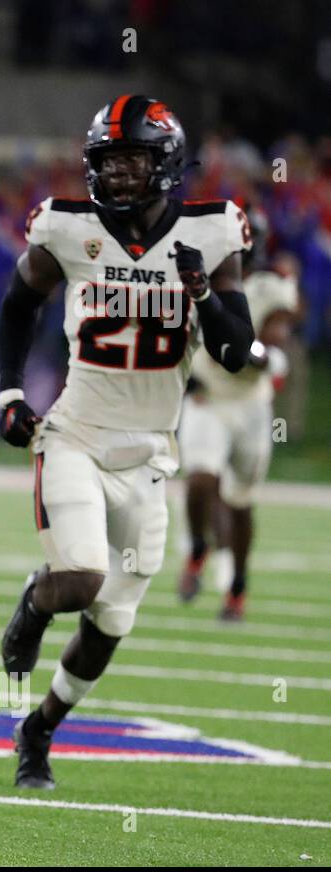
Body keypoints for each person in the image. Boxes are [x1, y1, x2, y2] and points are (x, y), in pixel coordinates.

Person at [0, 96, 254, 789]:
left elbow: (235, 352)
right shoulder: (68, 228)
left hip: (150, 455)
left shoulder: (214, 232)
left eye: (135, 159)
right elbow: (19, 304)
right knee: (79, 581)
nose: (120, 175)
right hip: (75, 433)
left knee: (110, 625)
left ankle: (38, 730)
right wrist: (11, 392)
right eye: (109, 162)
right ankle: (36, 600)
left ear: (165, 160)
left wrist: (201, 293)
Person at [176, 212, 297, 620]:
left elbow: (271, 342)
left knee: (240, 502)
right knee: (200, 480)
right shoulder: (191, 279)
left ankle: (238, 585)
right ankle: (197, 548)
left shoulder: (269, 286)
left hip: (249, 404)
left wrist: (254, 353)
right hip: (208, 398)